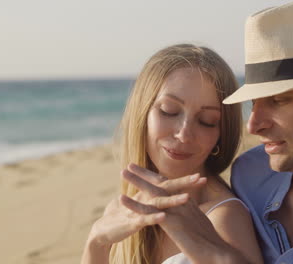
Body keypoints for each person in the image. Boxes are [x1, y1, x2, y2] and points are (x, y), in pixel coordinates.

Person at [118, 0, 293, 263]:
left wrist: (216, 255)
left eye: (278, 100)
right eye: (254, 103)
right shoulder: (251, 174)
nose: (253, 125)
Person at [81, 44, 263, 264]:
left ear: (220, 136)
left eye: (207, 121)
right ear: (142, 114)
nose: (184, 134)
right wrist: (96, 241)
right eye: (169, 110)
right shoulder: (120, 211)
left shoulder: (223, 218)